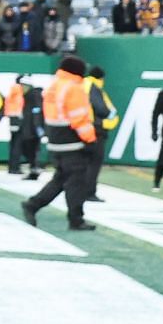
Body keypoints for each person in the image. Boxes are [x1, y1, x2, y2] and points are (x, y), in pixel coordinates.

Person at [20, 54, 99, 233]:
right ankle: (76, 219)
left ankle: (33, 205)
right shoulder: (74, 88)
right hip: (72, 140)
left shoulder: (55, 85)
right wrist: (90, 140)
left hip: (56, 139)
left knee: (61, 179)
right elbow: (79, 118)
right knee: (76, 181)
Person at [85, 65, 118, 199]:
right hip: (96, 129)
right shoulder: (94, 88)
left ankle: (80, 190)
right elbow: (101, 108)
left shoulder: (83, 85)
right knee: (94, 162)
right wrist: (110, 115)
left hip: (83, 128)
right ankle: (89, 192)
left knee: (85, 162)